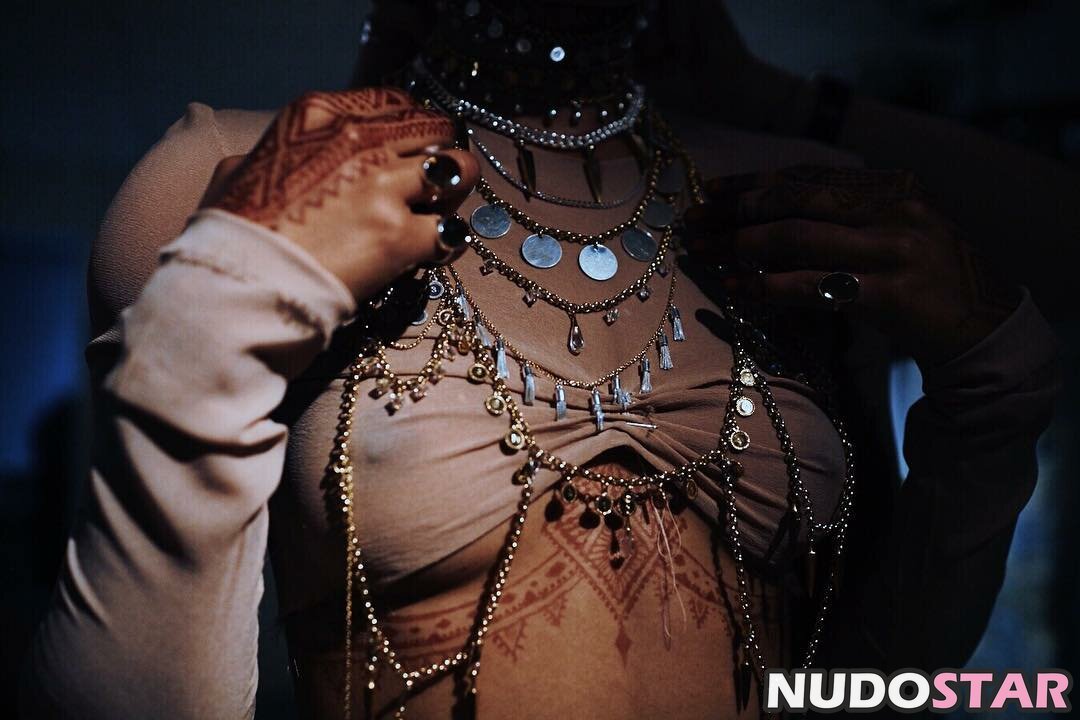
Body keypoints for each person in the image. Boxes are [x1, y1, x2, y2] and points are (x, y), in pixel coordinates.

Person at [20, 1, 1065, 718]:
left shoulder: (801, 196)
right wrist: (230, 296)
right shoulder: (233, 170)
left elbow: (865, 682)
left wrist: (992, 399)